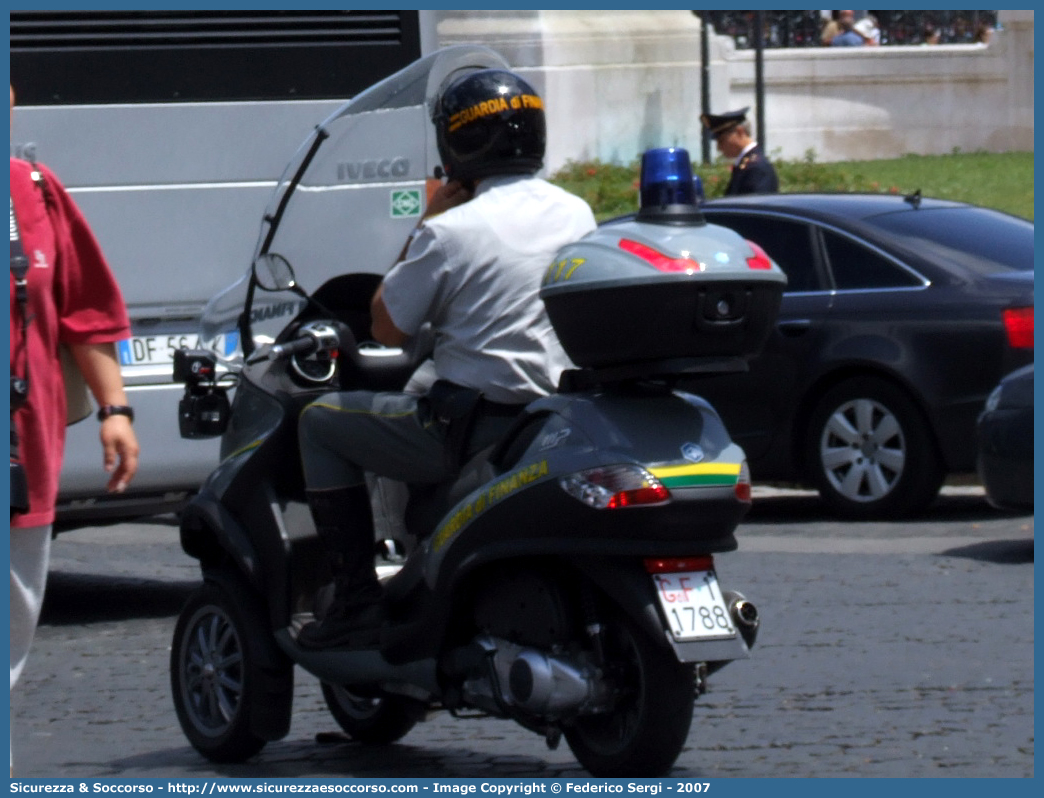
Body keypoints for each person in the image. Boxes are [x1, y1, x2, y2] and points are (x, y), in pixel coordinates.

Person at [295, 69, 596, 650]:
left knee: (319, 423)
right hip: (557, 417)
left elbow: (386, 324)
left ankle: (356, 599)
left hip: (474, 428)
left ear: (455, 143)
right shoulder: (575, 212)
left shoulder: (452, 231)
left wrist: (426, 221)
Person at [9, 85, 139, 772]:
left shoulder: (35, 190)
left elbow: (84, 311)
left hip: (22, 458)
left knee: (10, 636)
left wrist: (114, 409)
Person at [701, 107, 779, 196]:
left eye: (722, 140)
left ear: (739, 131)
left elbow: (756, 207)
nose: (719, 148)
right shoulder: (746, 164)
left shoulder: (757, 168)